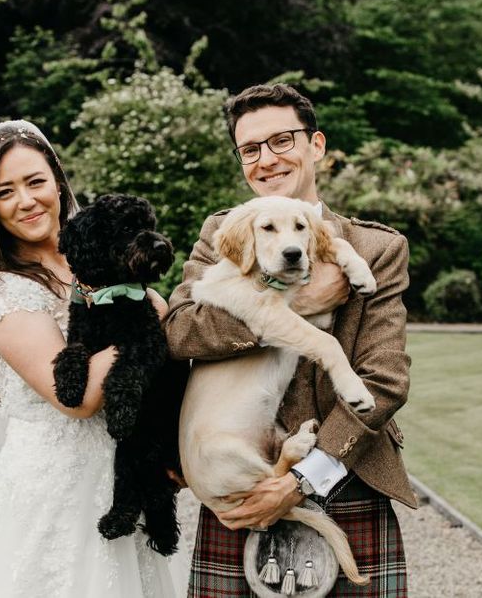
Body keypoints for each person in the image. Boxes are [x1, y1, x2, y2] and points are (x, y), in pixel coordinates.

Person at [165, 84, 416, 597]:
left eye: (282, 141)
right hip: (248, 480)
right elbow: (178, 331)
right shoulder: (224, 232)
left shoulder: (377, 247)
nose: (266, 159)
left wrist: (301, 479)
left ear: (316, 145)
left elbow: (385, 380)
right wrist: (292, 306)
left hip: (346, 476)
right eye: (250, 149)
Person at [0, 120, 187, 598]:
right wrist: (147, 318)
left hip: (123, 473)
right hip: (56, 491)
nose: (27, 200)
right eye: (5, 192)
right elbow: (75, 399)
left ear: (57, 181)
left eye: (35, 182)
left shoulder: (104, 261)